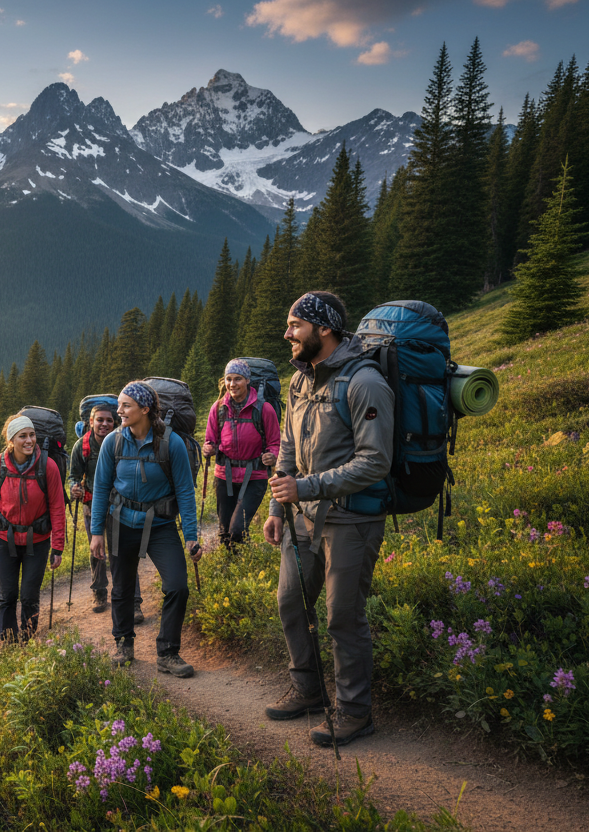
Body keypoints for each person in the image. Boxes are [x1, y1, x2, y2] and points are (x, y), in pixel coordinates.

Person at [263, 291, 393, 747]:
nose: (287, 334)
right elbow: (288, 447)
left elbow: (376, 462)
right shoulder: (301, 381)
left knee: (342, 617)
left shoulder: (365, 383)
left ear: (324, 329)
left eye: (295, 325)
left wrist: (307, 488)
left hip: (352, 520)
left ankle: (355, 712)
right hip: (302, 516)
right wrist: (280, 504)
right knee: (290, 603)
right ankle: (308, 691)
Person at [90, 381, 201, 677]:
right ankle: (123, 643)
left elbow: (185, 492)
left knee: (177, 585)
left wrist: (191, 535)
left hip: (160, 526)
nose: (119, 411)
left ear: (145, 409)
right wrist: (96, 532)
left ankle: (168, 652)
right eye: (119, 405)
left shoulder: (171, 443)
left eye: (126, 406)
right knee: (123, 588)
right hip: (120, 522)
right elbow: (100, 488)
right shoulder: (113, 442)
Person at [0, 414, 66, 644]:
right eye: (23, 436)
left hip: (37, 540)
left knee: (29, 595)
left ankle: (27, 637)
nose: (29, 440)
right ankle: (8, 640)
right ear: (11, 440)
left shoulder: (48, 466)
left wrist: (57, 546)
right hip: (4, 539)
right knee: (7, 595)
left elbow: (57, 507)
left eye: (32, 435)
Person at [69, 404, 145, 619]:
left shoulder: (124, 442)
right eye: (99, 420)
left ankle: (134, 601)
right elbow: (73, 475)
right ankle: (99, 592)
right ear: (90, 422)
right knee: (97, 551)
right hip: (92, 505)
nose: (104, 424)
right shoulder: (81, 446)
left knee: (124, 552)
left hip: (121, 507)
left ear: (116, 421)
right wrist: (74, 487)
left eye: (109, 420)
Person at [202, 359, 280, 552]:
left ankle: (241, 566)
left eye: (237, 379)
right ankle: (230, 569)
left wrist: (272, 455)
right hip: (224, 476)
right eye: (228, 379)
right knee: (224, 531)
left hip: (254, 476)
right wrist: (208, 448)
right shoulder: (219, 408)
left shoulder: (264, 409)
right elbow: (210, 439)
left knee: (237, 529)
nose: (232, 384)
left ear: (247, 380)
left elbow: (274, 443)